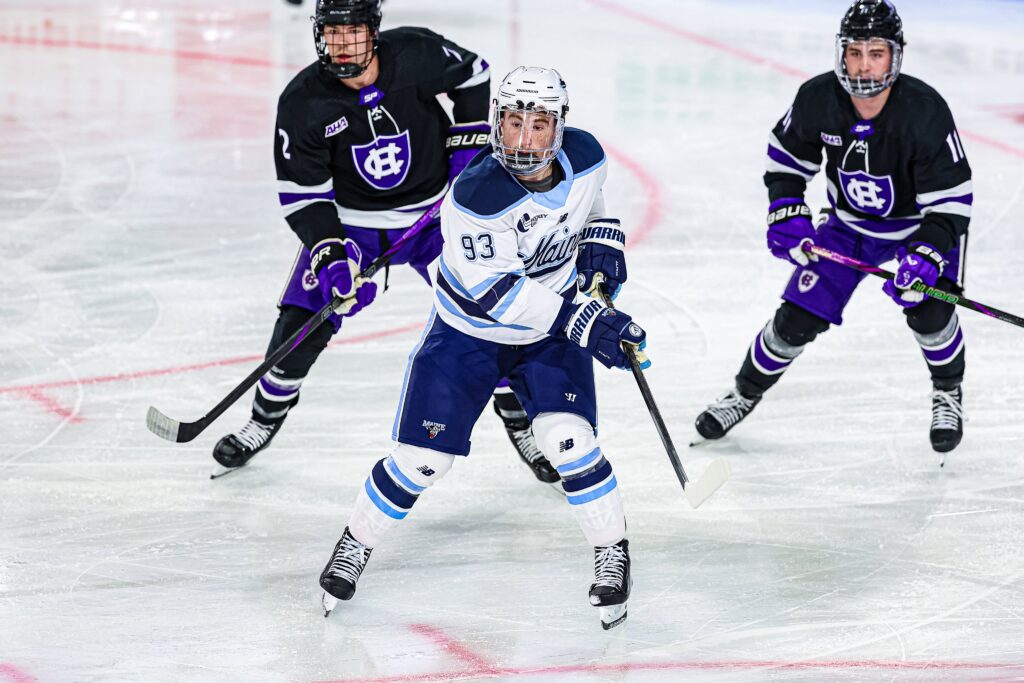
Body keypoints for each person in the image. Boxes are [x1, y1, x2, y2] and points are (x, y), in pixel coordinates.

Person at [317, 66, 647, 630]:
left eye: (538, 125)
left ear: (559, 129)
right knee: (422, 463)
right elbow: (499, 295)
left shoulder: (587, 156)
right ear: (497, 122)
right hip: (468, 336)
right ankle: (356, 541)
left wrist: (603, 240)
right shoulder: (476, 196)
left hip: (548, 336)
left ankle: (612, 552)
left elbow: (590, 205)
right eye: (513, 122)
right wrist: (587, 322)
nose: (522, 139)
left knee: (569, 443)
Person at [213, 0, 558, 485]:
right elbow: (304, 197)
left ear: (373, 31)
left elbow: (475, 75)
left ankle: (520, 424)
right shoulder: (302, 102)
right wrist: (332, 254)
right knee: (301, 322)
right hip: (353, 226)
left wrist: (464, 153)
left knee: (488, 311)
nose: (341, 44)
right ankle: (262, 420)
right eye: (331, 34)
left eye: (351, 32)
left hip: (436, 216)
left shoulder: (414, 53)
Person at [694, 0, 971, 454]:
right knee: (794, 321)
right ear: (841, 53)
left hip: (918, 229)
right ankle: (743, 394)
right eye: (855, 52)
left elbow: (952, 204)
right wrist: (786, 209)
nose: (864, 66)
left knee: (930, 312)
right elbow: (786, 160)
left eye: (876, 53)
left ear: (896, 56)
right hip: (847, 228)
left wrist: (926, 254)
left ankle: (947, 391)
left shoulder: (925, 111)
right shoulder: (817, 98)